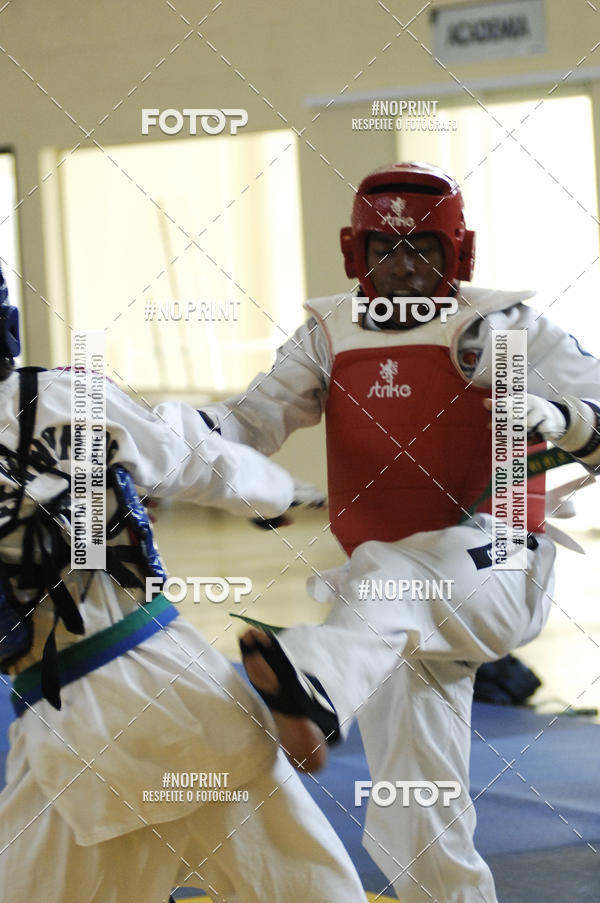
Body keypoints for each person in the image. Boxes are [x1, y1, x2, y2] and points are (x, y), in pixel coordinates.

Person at [200, 162, 600, 903]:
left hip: (501, 564)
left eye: (424, 251)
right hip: (391, 610)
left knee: (384, 571)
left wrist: (565, 419)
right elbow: (250, 421)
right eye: (387, 249)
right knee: (416, 798)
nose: (406, 267)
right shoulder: (326, 334)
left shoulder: (507, 326)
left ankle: (313, 681)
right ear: (356, 252)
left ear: (461, 253)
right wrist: (176, 432)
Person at [0, 263, 367, 903]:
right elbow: (195, 460)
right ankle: (310, 686)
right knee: (308, 887)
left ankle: (309, 688)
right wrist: (280, 495)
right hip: (169, 689)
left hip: (61, 717)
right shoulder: (63, 396)